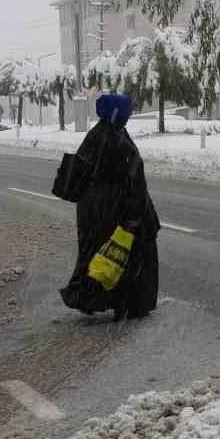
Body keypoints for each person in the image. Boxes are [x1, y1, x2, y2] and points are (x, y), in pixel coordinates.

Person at [59, 93, 161, 320]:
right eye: (127, 111)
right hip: (115, 210)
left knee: (100, 255)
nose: (129, 115)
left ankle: (90, 297)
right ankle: (129, 303)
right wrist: (134, 215)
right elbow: (133, 180)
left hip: (95, 210)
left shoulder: (99, 134)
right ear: (117, 113)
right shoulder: (114, 139)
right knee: (127, 256)